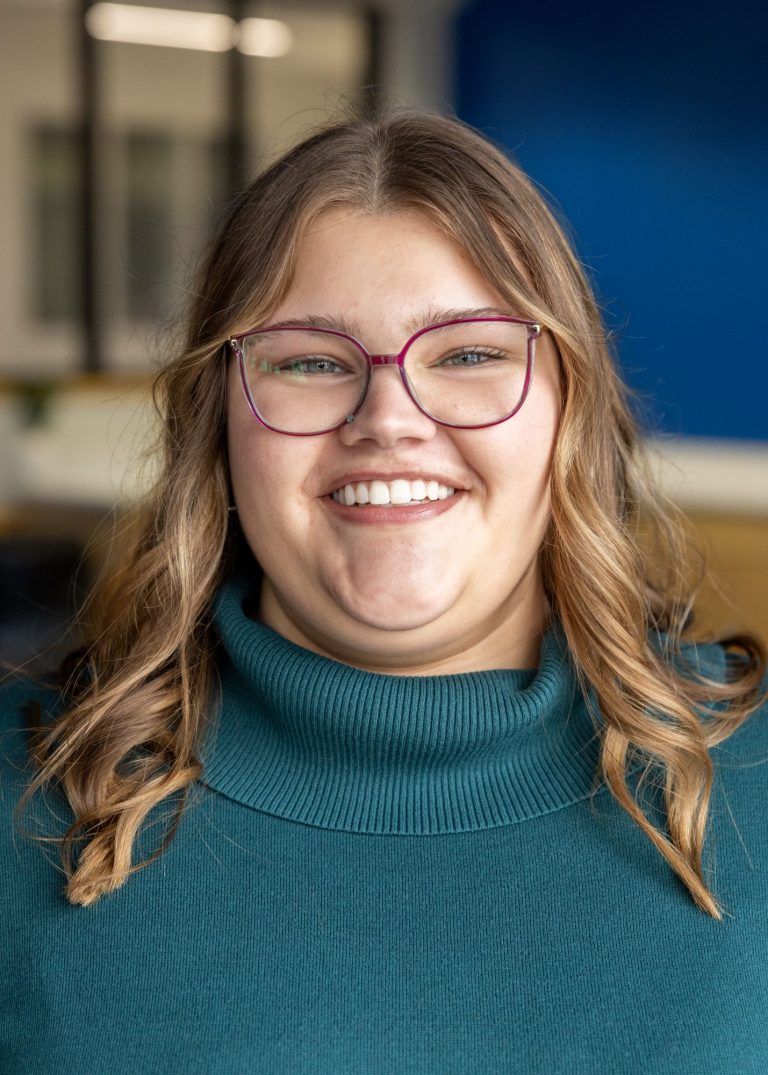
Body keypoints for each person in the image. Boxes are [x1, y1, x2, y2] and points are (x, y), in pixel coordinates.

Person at [1, 108, 766, 1075]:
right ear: (218, 423)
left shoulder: (754, 782)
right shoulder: (21, 797)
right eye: (311, 361)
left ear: (569, 407)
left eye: (470, 354)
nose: (389, 419)